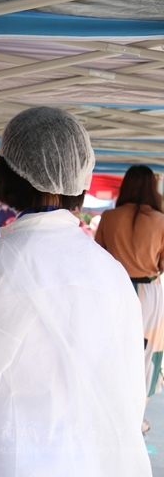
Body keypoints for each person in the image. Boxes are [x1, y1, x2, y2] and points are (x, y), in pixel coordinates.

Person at [0, 107, 152, 477]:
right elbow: (127, 385)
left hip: (3, 458)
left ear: (8, 174)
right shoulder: (110, 272)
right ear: (80, 179)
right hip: (83, 461)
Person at [95, 165, 164, 430]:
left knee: (113, 350)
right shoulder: (160, 220)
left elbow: (98, 256)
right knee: (147, 354)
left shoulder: (109, 217)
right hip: (149, 293)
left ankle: (112, 412)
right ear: (152, 188)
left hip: (115, 289)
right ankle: (136, 417)